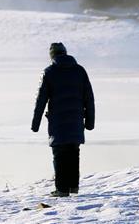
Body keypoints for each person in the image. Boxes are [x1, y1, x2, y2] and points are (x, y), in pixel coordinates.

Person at [30, 42, 95, 197]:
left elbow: (41, 100)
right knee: (73, 152)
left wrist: (35, 124)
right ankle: (73, 187)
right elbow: (89, 98)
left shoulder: (49, 72)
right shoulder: (80, 71)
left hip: (58, 121)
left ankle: (62, 189)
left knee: (59, 154)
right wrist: (90, 122)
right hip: (76, 120)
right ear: (65, 53)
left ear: (52, 56)